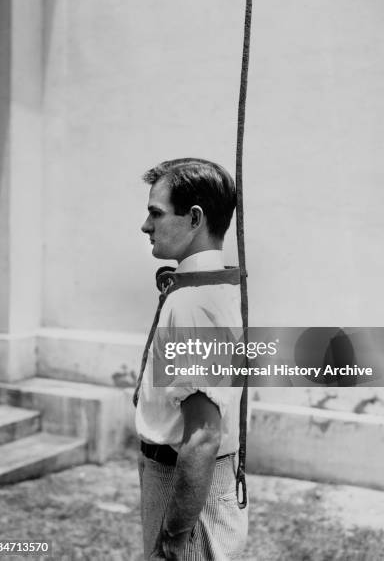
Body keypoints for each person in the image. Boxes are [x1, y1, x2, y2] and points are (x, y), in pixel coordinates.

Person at [135, 158, 248, 560]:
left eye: (156, 213)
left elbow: (202, 436)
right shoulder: (216, 287)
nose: (146, 226)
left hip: (184, 485)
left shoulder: (194, 303)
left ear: (194, 218)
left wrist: (173, 540)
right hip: (185, 478)